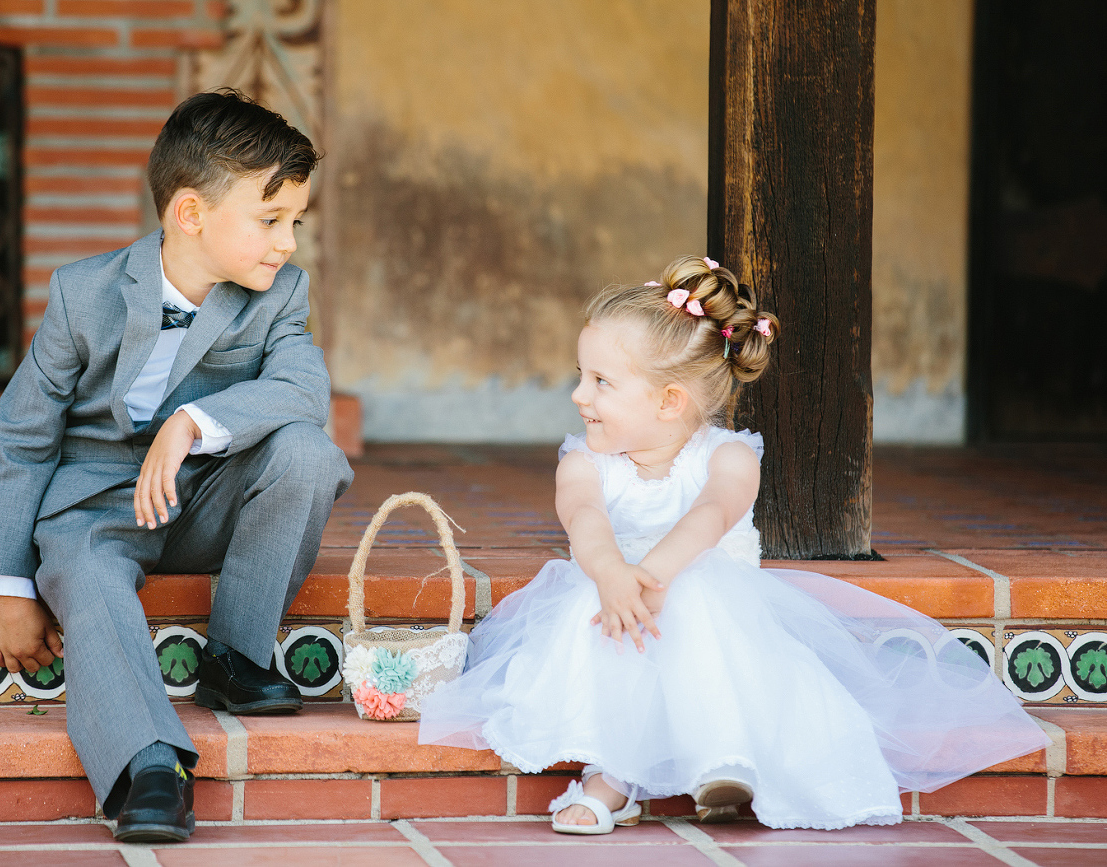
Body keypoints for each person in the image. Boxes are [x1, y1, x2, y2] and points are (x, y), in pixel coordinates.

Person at [418, 256, 1049, 833]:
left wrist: (653, 575)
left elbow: (712, 518)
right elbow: (583, 520)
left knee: (698, 598)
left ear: (670, 402)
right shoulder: (587, 463)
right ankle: (613, 780)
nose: (580, 395)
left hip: (699, 600)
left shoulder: (727, 457)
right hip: (617, 595)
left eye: (601, 381)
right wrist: (614, 575)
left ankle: (726, 762)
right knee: (613, 628)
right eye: (581, 376)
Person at [0, 89, 353, 843]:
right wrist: (7, 582)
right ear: (190, 214)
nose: (289, 245)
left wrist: (191, 423)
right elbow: (21, 436)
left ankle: (236, 657)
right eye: (271, 220)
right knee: (86, 570)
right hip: (95, 506)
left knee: (308, 450)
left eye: (295, 223)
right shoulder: (86, 294)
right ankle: (149, 763)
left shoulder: (278, 296)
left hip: (205, 495)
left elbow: (303, 388)